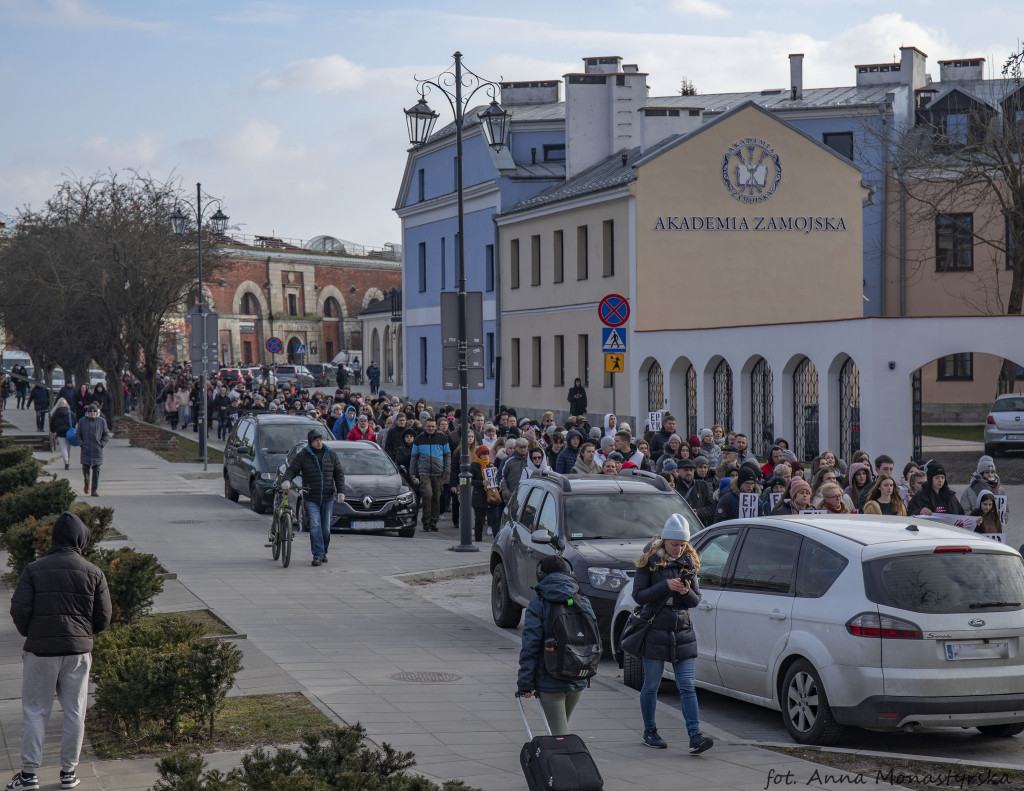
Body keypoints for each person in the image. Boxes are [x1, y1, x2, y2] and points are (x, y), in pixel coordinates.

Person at [8, 511, 111, 791]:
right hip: (78, 652)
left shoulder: (33, 569)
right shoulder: (94, 572)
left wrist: (35, 633)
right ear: (81, 539)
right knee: (75, 710)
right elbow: (103, 617)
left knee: (35, 710)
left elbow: (18, 609)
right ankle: (68, 772)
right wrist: (82, 635)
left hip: (40, 652)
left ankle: (29, 775)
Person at [632, 516, 713, 754]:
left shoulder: (688, 561)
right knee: (652, 685)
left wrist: (686, 591)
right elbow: (638, 595)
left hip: (681, 629)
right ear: (664, 540)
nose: (678, 549)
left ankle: (695, 736)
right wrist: (665, 586)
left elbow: (696, 600)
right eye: (674, 544)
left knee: (687, 685)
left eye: (682, 544)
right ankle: (650, 731)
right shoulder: (649, 561)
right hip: (654, 627)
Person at [516, 555, 596, 735]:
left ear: (541, 575)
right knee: (560, 729)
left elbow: (531, 645)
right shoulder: (582, 600)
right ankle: (557, 760)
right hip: (578, 675)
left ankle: (566, 762)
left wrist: (525, 683)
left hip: (550, 679)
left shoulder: (538, 604)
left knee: (560, 735)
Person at [281, 430, 345, 566]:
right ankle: (317, 555)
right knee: (315, 526)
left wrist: (341, 491)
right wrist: (286, 480)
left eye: (320, 439)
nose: (319, 442)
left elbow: (339, 473)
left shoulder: (331, 454)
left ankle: (323, 552)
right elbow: (292, 469)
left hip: (327, 497)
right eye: (316, 440)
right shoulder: (303, 455)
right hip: (311, 497)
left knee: (326, 528)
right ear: (311, 442)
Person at [410, 417, 450, 532]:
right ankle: (426, 521)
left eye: (433, 426)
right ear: (424, 426)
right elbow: (414, 458)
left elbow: (447, 455)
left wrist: (447, 470)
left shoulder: (442, 438)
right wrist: (412, 473)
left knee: (436, 497)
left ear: (436, 427)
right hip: (424, 472)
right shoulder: (418, 439)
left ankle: (434, 521)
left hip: (438, 472)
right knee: (427, 495)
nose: (431, 428)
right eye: (428, 426)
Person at [77, 404, 109, 497]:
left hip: (97, 450)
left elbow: (106, 434)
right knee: (85, 468)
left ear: (97, 412)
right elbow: (78, 434)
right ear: (88, 412)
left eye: (94, 411)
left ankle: (94, 489)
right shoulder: (82, 421)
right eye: (90, 412)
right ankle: (86, 482)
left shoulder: (101, 421)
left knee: (96, 470)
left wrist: (102, 444)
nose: (92, 413)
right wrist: (81, 443)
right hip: (86, 449)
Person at [470, 445, 500, 542]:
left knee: (494, 519)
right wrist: (481, 482)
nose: (486, 456)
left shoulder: (490, 464)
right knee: (479, 520)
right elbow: (470, 480)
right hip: (479, 496)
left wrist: (496, 473)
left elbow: (496, 480)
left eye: (487, 454)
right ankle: (478, 539)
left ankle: (497, 539)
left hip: (491, 496)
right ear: (479, 455)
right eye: (483, 454)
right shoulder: (474, 466)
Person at [49, 398, 75, 470]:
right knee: (68, 447)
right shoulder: (70, 413)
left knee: (63, 448)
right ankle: (68, 459)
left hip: (60, 432)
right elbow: (74, 422)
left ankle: (66, 462)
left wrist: (53, 431)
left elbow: (52, 424)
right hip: (69, 432)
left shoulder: (55, 413)